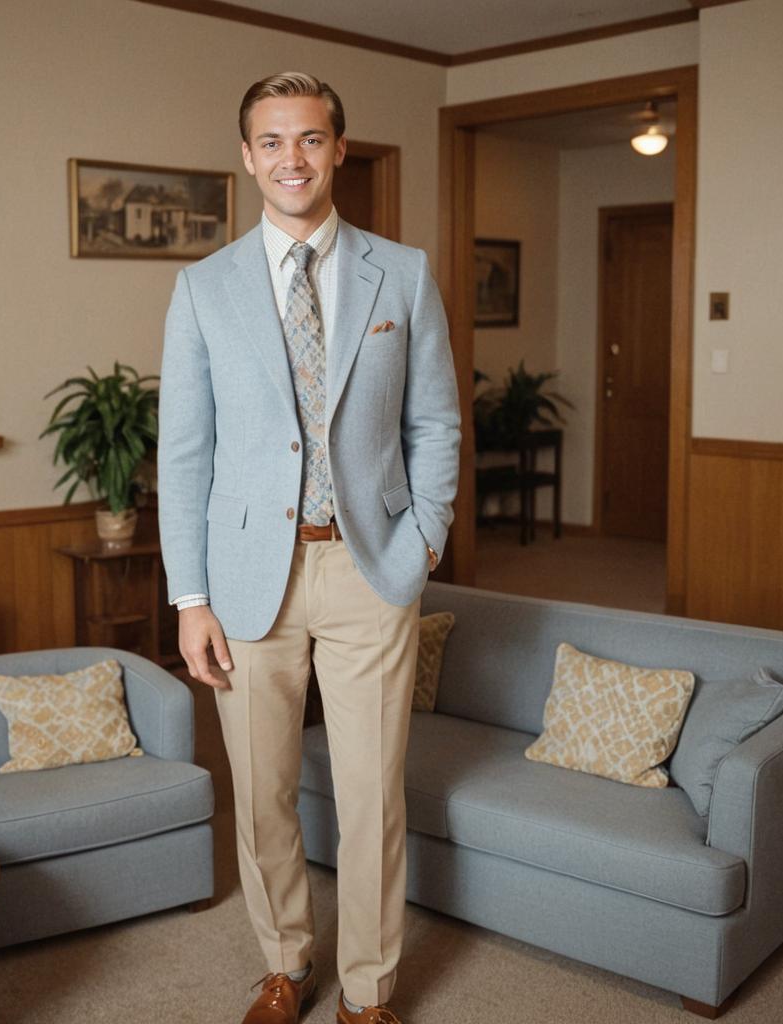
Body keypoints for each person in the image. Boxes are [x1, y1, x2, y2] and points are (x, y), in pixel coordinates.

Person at [157, 71, 460, 1024]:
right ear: (248, 157)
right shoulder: (202, 289)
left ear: (338, 149)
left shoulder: (402, 273)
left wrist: (424, 542)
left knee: (372, 800)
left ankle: (367, 993)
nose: (294, 158)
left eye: (312, 139)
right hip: (250, 582)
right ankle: (286, 964)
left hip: (372, 567)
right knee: (262, 797)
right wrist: (189, 597)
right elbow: (185, 455)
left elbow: (437, 425)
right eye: (273, 141)